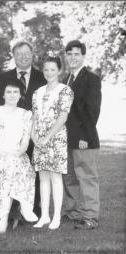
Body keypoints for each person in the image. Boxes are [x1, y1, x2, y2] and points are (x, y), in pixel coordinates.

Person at [0, 81, 38, 234]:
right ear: (3, 94)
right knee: (8, 169)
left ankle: (8, 216)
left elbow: (25, 142)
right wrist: (2, 153)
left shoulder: (26, 115)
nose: (12, 95)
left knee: (14, 168)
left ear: (20, 95)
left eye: (15, 92)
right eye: (8, 92)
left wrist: (17, 153)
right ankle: (10, 213)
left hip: (16, 154)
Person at [2, 41, 46, 227]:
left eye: (27, 53)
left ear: (32, 54)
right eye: (19, 53)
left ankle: (33, 209)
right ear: (14, 55)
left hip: (35, 133)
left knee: (33, 172)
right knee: (12, 172)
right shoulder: (3, 78)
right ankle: (12, 211)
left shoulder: (43, 77)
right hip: (12, 134)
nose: (23, 56)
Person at [62, 40, 102, 230]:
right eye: (69, 54)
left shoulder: (91, 79)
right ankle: (73, 212)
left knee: (86, 177)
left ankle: (90, 217)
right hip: (67, 139)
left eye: (76, 54)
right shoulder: (65, 79)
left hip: (84, 138)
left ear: (83, 56)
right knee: (70, 178)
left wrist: (84, 137)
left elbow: (92, 111)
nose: (72, 57)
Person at [32, 57, 74, 230]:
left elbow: (62, 117)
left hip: (55, 139)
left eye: (52, 69)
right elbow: (34, 117)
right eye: (46, 69)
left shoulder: (65, 91)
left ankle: (56, 216)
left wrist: (48, 137)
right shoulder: (37, 92)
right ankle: (44, 216)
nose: (49, 73)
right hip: (39, 140)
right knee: (43, 178)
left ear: (59, 71)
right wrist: (34, 137)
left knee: (55, 178)